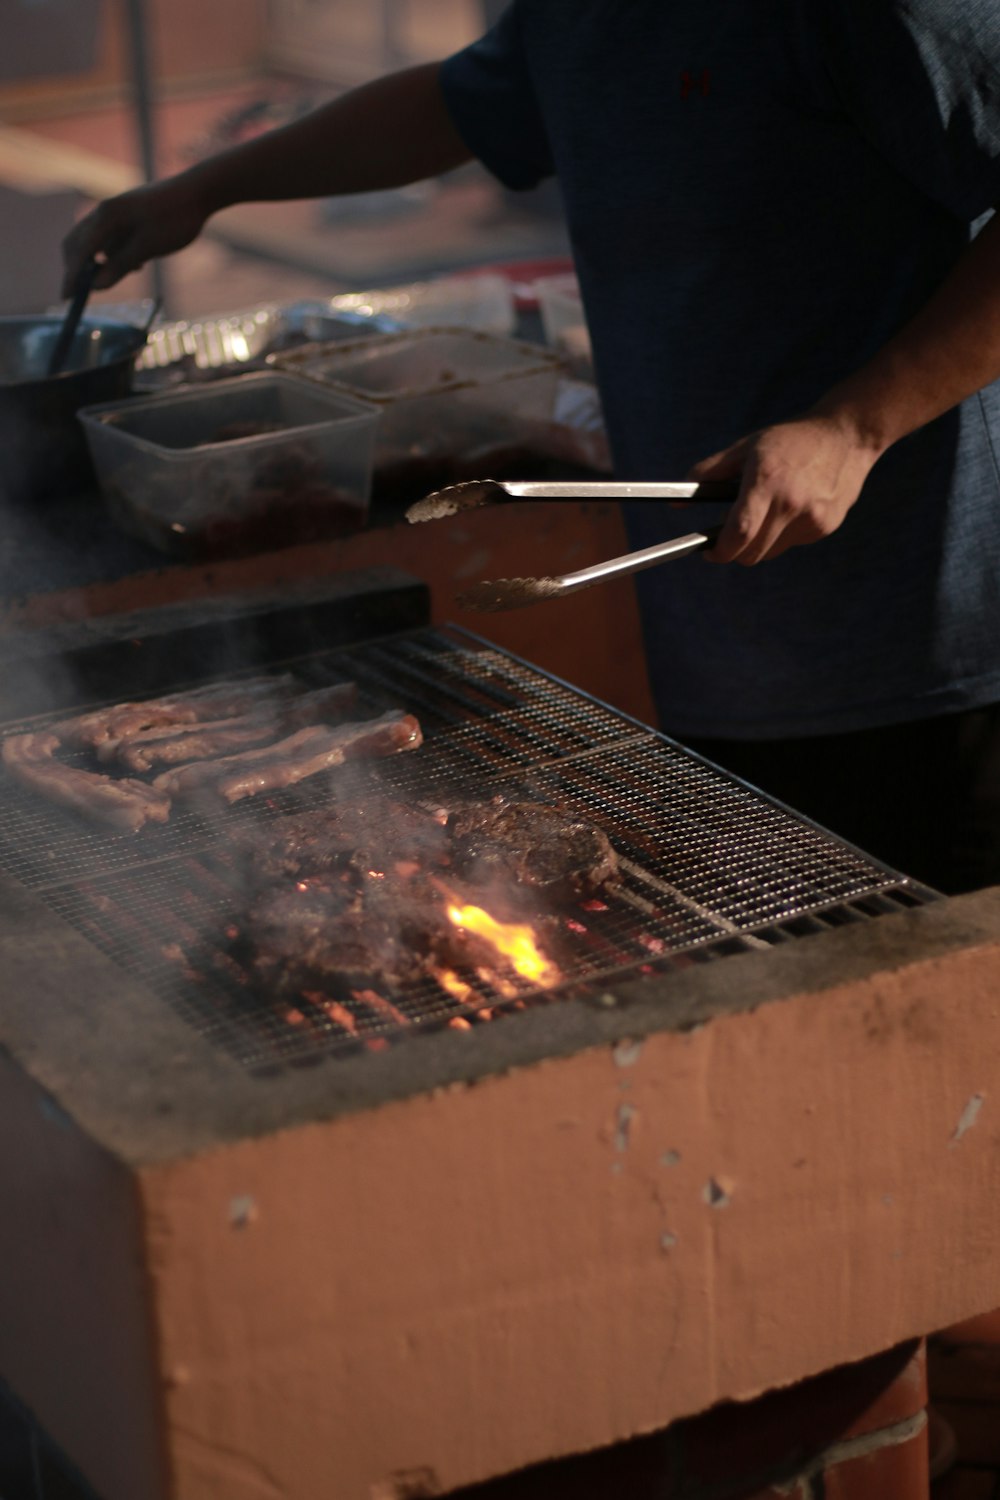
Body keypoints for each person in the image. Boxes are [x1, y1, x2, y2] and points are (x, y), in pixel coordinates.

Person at [63, 0, 1000, 895]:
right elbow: (461, 106)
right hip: (720, 627)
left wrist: (854, 426)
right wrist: (203, 189)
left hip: (921, 654)